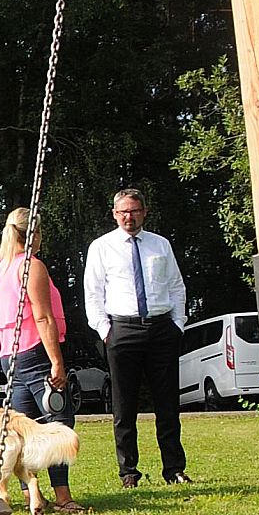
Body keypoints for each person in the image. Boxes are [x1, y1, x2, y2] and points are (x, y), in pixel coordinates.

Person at [83, 187, 189, 488]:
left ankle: (174, 469)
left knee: (167, 403)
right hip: (122, 329)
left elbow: (176, 286)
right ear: (114, 214)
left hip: (161, 328)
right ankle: (128, 472)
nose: (128, 216)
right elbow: (93, 292)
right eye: (123, 212)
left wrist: (177, 323)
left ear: (144, 212)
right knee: (124, 406)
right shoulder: (101, 247)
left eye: (134, 210)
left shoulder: (161, 245)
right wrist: (105, 330)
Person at [0, 207, 88, 514]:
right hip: (35, 351)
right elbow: (43, 317)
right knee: (58, 422)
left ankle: (32, 494)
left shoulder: (1, 269)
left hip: (10, 355)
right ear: (35, 233)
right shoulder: (32, 266)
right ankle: (62, 495)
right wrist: (56, 363)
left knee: (22, 428)